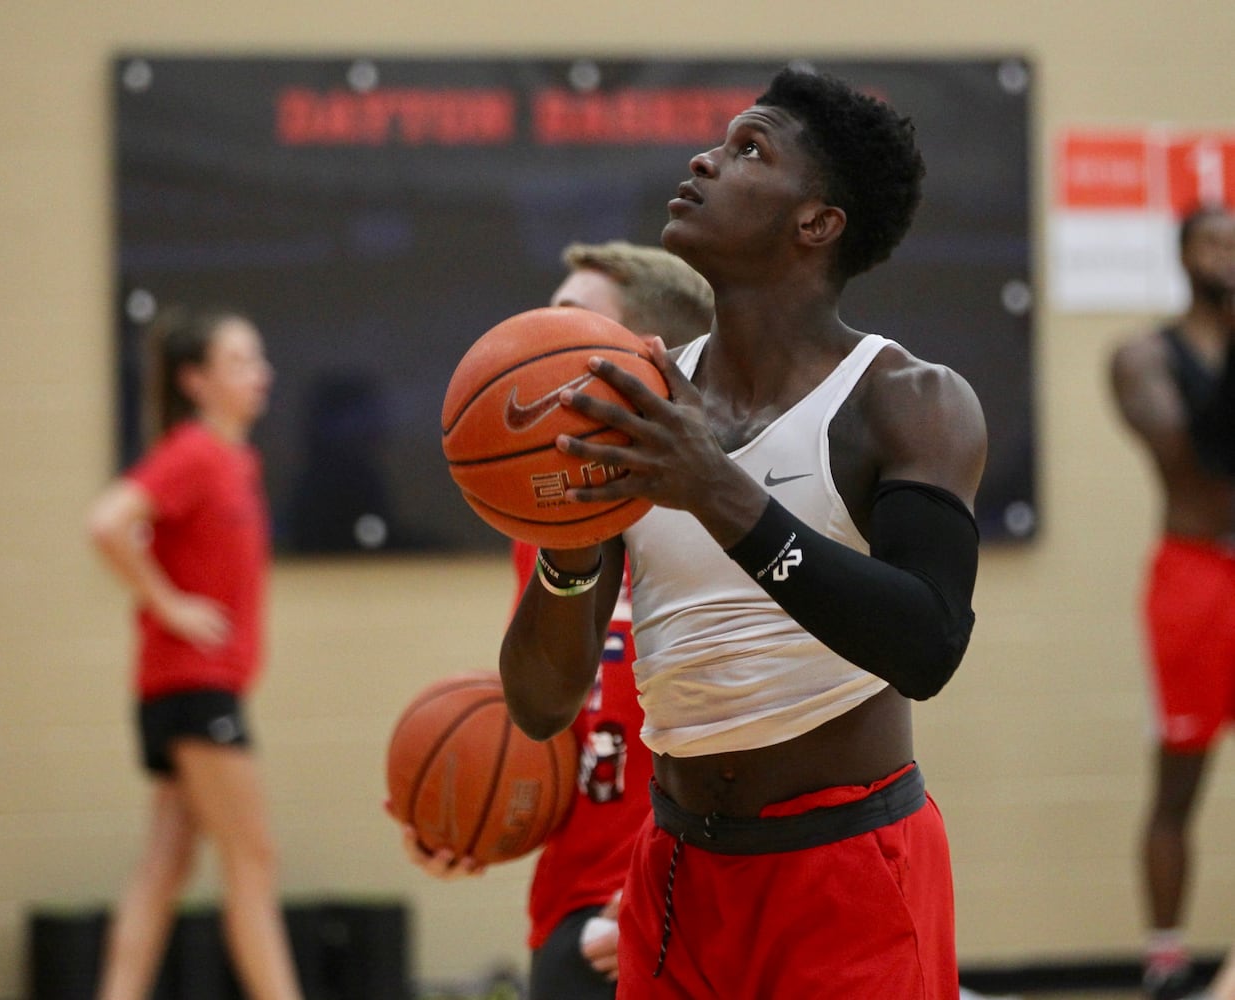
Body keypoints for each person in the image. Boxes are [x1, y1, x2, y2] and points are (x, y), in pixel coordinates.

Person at [499, 65, 986, 999]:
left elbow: (929, 643)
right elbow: (539, 706)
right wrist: (566, 553)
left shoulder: (908, 401)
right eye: (720, 143)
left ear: (817, 222)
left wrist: (719, 492)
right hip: (676, 873)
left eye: (749, 149)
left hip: (849, 865)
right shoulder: (632, 398)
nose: (705, 159)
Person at [396, 241, 712, 1000]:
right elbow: (563, 713)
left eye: (566, 322)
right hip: (575, 908)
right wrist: (474, 800)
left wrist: (681, 877)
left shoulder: (725, 507)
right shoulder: (543, 516)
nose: (535, 333)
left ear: (649, 358)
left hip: (699, 897)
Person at [87, 307, 303, 1000]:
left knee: (166, 862)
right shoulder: (194, 453)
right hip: (193, 686)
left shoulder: (234, 459)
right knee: (254, 854)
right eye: (240, 362)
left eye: (258, 359)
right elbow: (107, 522)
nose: (260, 374)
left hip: (193, 688)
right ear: (195, 381)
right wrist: (168, 602)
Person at [1109, 204, 1235, 1000]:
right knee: (1180, 779)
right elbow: (1191, 456)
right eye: (1216, 242)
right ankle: (1165, 960)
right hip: (1195, 577)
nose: (1228, 255)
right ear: (1184, 254)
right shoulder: (1142, 355)